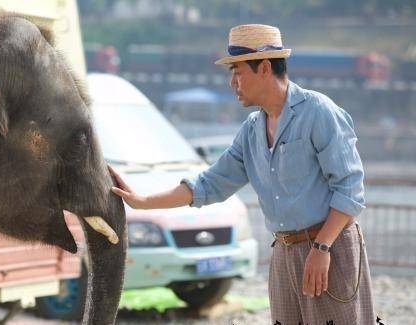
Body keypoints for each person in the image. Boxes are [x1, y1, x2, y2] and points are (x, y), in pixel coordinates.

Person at [109, 24, 378, 324]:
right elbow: (209, 184)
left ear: (264, 67)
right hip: (284, 252)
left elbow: (350, 189)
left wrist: (322, 247)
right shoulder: (251, 131)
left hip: (329, 247)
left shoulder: (319, 112)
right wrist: (142, 201)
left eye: (238, 72)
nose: (233, 82)